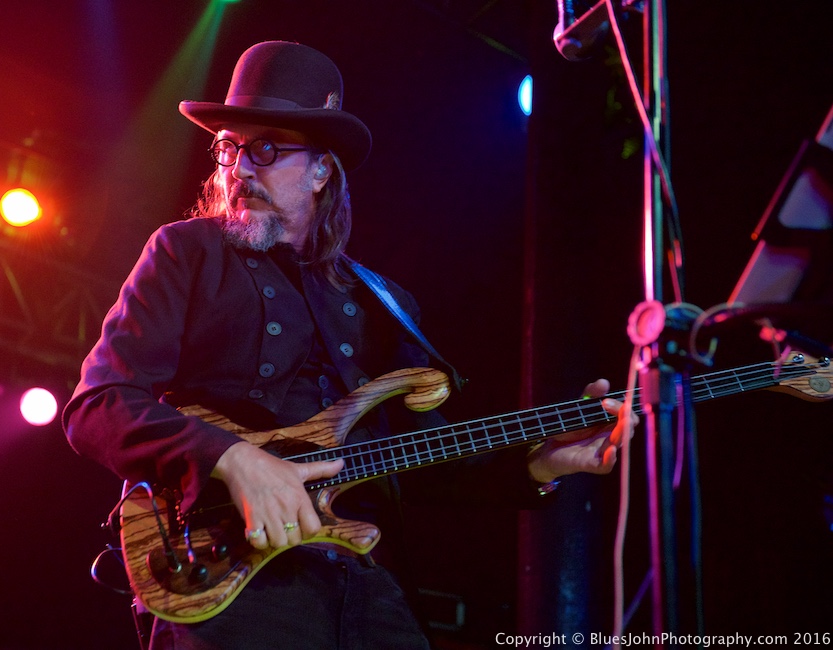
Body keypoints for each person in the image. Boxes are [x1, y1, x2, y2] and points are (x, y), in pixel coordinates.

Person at [63, 41, 635, 649]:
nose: (239, 169)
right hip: (228, 582)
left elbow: (414, 461)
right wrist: (234, 459)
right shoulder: (186, 252)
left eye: (264, 148)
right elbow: (98, 405)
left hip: (366, 586)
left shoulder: (381, 301)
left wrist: (537, 464)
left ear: (320, 170)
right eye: (230, 148)